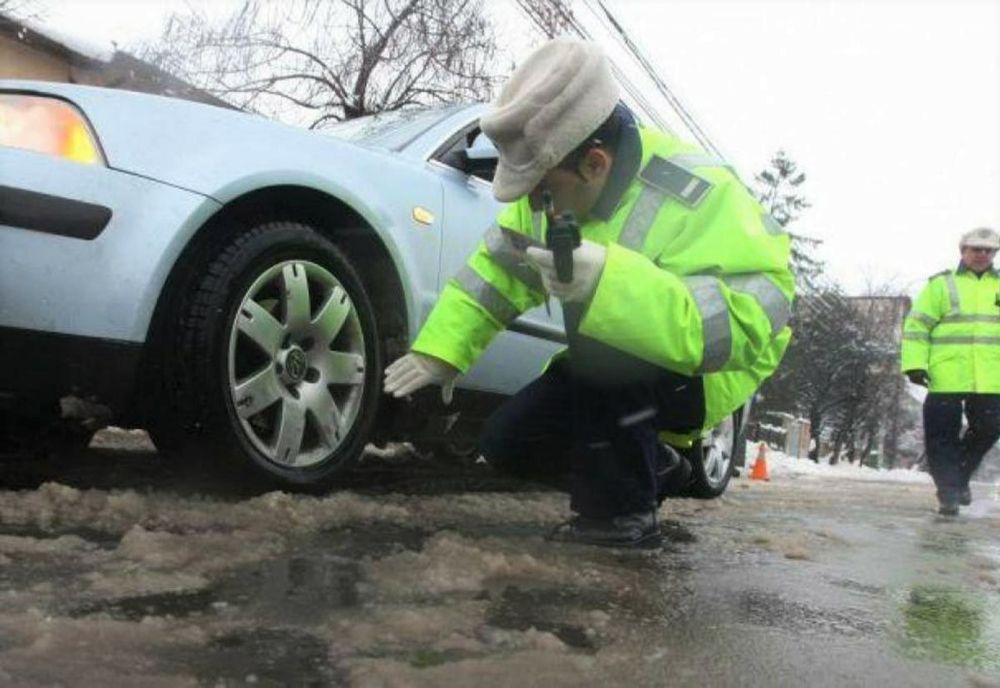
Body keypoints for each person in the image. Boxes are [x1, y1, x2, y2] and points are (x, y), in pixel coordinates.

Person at [384, 38, 794, 547]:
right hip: (609, 369)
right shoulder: (553, 192)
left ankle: (620, 519)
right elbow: (496, 275)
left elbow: (752, 322)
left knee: (608, 343)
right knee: (508, 442)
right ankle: (657, 471)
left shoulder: (701, 192)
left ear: (595, 163)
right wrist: (440, 351)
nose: (534, 203)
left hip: (706, 371)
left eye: (542, 188)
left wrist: (609, 283)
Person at [901, 227, 1000, 516]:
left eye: (988, 250)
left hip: (992, 377)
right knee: (940, 436)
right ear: (963, 251)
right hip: (945, 373)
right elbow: (917, 326)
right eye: (975, 249)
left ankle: (957, 479)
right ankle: (949, 493)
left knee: (990, 428)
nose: (981, 254)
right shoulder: (941, 285)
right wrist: (914, 364)